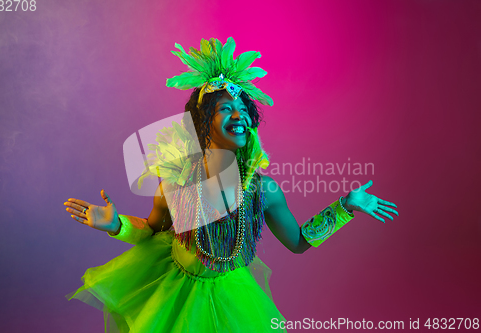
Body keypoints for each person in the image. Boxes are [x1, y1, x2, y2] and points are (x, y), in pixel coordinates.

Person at [64, 37, 398, 332]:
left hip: (234, 301)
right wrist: (116, 225)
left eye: (243, 109)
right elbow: (152, 229)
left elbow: (298, 241)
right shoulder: (175, 184)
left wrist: (344, 207)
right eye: (225, 109)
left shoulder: (263, 191)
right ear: (201, 122)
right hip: (174, 297)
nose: (238, 115)